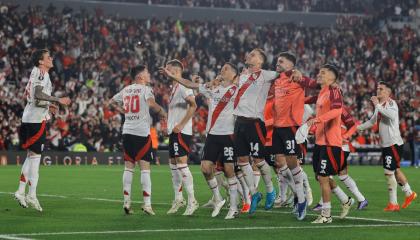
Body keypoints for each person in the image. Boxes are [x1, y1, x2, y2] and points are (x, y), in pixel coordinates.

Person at [161, 62, 240, 219]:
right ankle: (218, 199)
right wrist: (174, 77)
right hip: (212, 135)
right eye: (222, 67)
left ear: (234, 75)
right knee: (205, 168)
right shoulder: (213, 89)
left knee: (230, 171)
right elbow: (190, 84)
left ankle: (234, 206)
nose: (222, 69)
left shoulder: (237, 90)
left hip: (228, 135)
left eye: (226, 68)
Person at [14, 49, 71, 212]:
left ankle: (21, 191)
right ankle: (31, 194)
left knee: (31, 156)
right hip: (35, 121)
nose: (51, 58)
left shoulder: (35, 72)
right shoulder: (41, 73)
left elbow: (34, 97)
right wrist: (57, 99)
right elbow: (38, 94)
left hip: (30, 118)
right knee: (35, 159)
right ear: (41, 61)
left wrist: (49, 105)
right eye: (48, 57)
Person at [109, 65, 167, 216]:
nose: (149, 75)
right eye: (147, 73)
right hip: (141, 133)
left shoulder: (126, 89)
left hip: (127, 131)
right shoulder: (146, 89)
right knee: (145, 169)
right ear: (141, 76)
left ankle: (126, 202)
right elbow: (151, 104)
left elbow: (111, 102)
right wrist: (162, 111)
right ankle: (147, 204)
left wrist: (124, 111)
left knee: (128, 167)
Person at [357, 81, 417, 211]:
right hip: (387, 145)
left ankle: (393, 204)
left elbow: (390, 116)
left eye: (381, 89)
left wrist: (377, 105)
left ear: (388, 92)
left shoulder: (391, 103)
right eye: (378, 88)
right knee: (395, 170)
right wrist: (358, 128)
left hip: (393, 144)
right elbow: (372, 121)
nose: (378, 90)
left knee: (389, 172)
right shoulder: (381, 105)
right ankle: (409, 193)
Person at [271, 52, 316, 220]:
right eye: (277, 60)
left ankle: (302, 199)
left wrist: (301, 77)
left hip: (290, 127)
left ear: (291, 64)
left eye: (281, 61)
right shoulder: (277, 80)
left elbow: (315, 84)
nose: (278, 63)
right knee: (279, 164)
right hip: (277, 127)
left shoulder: (298, 78)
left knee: (292, 164)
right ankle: (298, 195)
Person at [305, 64, 344, 224]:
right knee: (319, 176)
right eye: (319, 71)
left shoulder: (334, 90)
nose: (319, 74)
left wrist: (317, 119)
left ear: (332, 78)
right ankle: (345, 199)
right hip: (321, 142)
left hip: (330, 142)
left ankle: (326, 215)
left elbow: (337, 111)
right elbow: (305, 100)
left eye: (324, 72)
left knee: (323, 177)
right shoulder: (322, 92)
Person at [162, 60, 199, 216]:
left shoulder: (183, 86)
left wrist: (181, 125)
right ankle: (179, 199)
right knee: (173, 164)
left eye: (168, 69)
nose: (165, 71)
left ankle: (192, 201)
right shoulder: (175, 87)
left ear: (176, 71)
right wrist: (169, 126)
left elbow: (193, 105)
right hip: (174, 131)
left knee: (181, 164)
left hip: (181, 132)